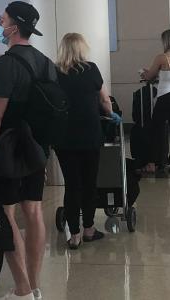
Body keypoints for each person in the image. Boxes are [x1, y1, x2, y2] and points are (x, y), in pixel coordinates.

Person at [0, 1, 55, 300]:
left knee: (4, 214)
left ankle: (21, 289)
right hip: (35, 147)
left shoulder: (5, 63)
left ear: (14, 27)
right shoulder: (46, 62)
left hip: (7, 148)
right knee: (33, 211)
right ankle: (34, 287)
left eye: (2, 19)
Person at [53, 33, 115, 249]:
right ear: (82, 49)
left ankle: (74, 235)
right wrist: (111, 114)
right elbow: (104, 100)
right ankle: (89, 229)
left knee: (72, 185)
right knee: (90, 183)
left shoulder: (54, 72)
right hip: (90, 133)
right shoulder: (91, 69)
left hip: (63, 136)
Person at [140, 30, 170, 174]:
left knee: (157, 128)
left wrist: (144, 73)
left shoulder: (162, 58)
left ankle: (155, 162)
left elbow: (149, 76)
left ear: (165, 41)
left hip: (165, 96)